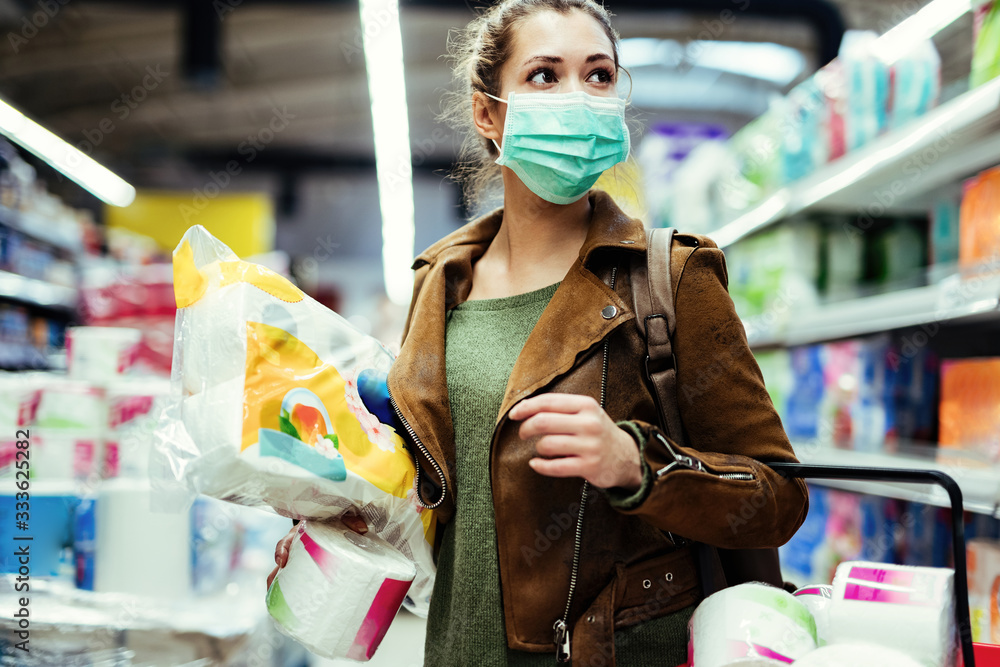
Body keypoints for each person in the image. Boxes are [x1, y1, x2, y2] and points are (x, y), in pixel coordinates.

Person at [269, 1, 809, 665]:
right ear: (488, 113)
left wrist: (637, 466)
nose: (578, 98)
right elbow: (436, 496)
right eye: (546, 76)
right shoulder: (439, 284)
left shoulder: (669, 277)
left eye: (600, 75)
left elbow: (776, 496)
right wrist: (345, 519)